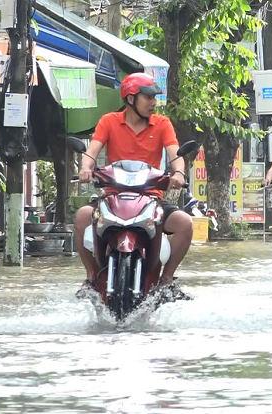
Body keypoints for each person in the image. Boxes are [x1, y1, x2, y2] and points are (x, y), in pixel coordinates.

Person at [75, 73, 192, 293]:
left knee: (185, 223)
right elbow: (91, 151)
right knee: (82, 216)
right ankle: (91, 276)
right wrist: (85, 169)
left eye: (154, 98)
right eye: (148, 97)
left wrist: (179, 173)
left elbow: (175, 155)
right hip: (112, 197)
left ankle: (165, 279)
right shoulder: (109, 121)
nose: (154, 103)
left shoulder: (162, 124)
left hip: (152, 198)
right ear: (130, 99)